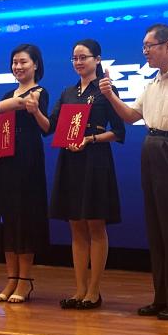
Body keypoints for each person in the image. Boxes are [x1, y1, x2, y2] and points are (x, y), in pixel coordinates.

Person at [100, 24, 168, 321]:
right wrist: (110, 95)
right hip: (153, 147)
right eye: (144, 47)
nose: (145, 52)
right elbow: (132, 116)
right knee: (158, 228)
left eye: (149, 46)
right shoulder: (154, 82)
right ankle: (162, 298)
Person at [49, 39, 126, 310]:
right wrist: (33, 110)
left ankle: (94, 290)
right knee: (76, 226)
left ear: (97, 59)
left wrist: (91, 139)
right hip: (71, 161)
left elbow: (119, 132)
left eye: (84, 57)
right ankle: (79, 289)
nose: (79, 62)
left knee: (95, 224)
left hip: (95, 161)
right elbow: (51, 126)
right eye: (75, 58)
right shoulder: (68, 92)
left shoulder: (105, 89)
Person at [0, 44, 51, 303]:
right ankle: (11, 278)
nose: (18, 67)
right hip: (5, 159)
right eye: (15, 62)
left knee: (25, 218)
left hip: (27, 158)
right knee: (7, 218)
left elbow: (26, 109)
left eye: (23, 62)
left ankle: (25, 280)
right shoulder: (8, 94)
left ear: (35, 65)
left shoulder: (38, 92)